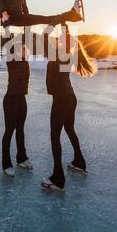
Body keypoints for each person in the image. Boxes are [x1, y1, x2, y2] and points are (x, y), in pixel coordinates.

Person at [41, 24, 97, 192]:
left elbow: (44, 36)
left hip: (62, 99)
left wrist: (56, 21)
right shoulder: (64, 53)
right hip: (69, 97)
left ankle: (58, 178)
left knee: (54, 136)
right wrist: (63, 24)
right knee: (69, 129)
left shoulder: (60, 53)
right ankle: (79, 161)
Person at [2, 39, 33, 177]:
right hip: (11, 100)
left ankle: (22, 158)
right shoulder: (11, 62)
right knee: (9, 131)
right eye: (21, 49)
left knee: (20, 129)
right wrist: (6, 23)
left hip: (22, 99)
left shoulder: (25, 62)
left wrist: (26, 18)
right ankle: (6, 164)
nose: (24, 50)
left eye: (25, 49)